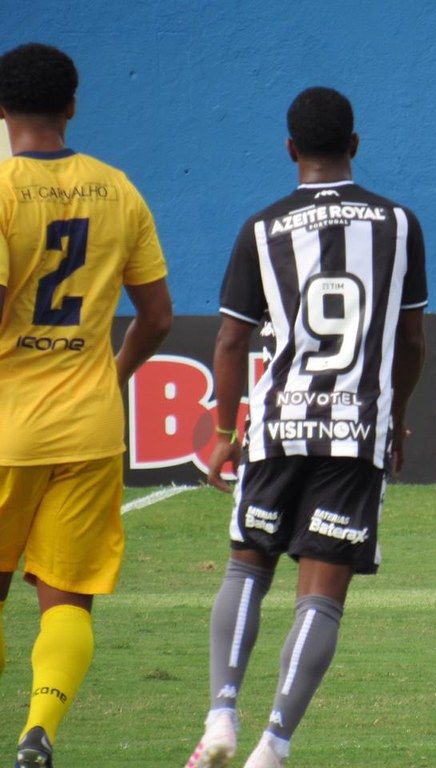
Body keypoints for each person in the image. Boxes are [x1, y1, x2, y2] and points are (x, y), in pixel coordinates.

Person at [184, 86, 427, 768]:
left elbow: (231, 342)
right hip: (355, 430)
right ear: (355, 144)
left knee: (247, 566)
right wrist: (396, 418)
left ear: (290, 149)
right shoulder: (399, 224)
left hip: (277, 425)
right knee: (321, 597)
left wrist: (224, 432)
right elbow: (411, 341)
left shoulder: (261, 229)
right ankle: (274, 744)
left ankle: (222, 714)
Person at [0, 43, 173, 767]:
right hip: (90, 427)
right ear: (72, 106)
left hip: (7, 426)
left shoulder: (2, 190)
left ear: (1, 109)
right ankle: (38, 732)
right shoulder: (118, 189)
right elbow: (157, 316)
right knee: (67, 598)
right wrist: (111, 374)